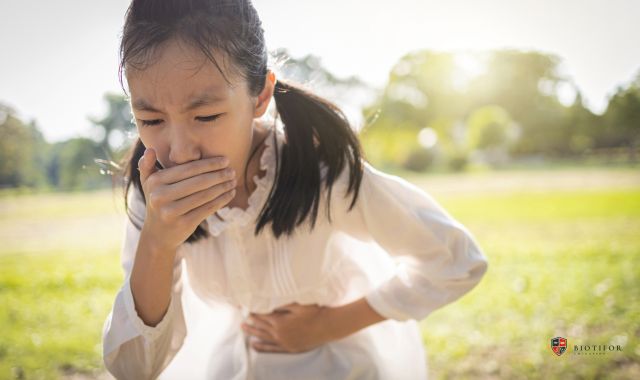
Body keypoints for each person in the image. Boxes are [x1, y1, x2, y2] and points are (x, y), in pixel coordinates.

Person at [101, 0, 489, 379]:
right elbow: (135, 369)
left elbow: (457, 260)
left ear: (261, 96)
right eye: (150, 119)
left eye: (206, 115)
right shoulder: (152, 195)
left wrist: (329, 324)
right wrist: (158, 243)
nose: (181, 151)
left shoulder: (320, 174)